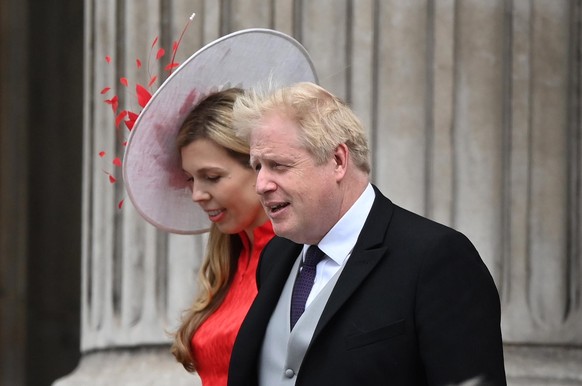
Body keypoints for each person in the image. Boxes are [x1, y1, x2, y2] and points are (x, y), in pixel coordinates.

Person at [227, 82, 507, 386]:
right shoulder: (276, 256)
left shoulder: (436, 258)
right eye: (257, 167)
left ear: (337, 160)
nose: (261, 184)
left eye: (278, 165)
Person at [121, 30, 318, 386]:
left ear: (259, 167)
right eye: (190, 180)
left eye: (211, 177)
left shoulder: (309, 261)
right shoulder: (230, 264)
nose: (197, 194)